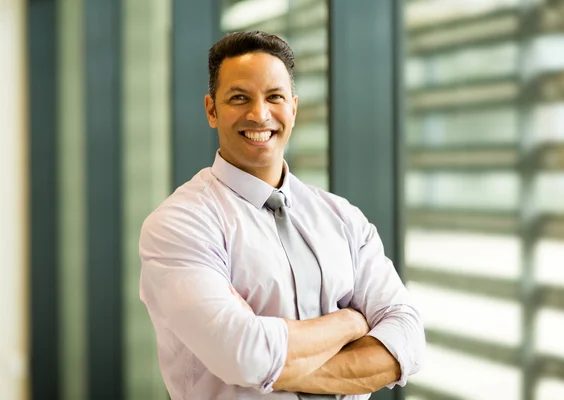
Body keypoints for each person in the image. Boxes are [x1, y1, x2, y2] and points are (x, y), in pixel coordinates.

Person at [139, 31, 425, 400]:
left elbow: (408, 341)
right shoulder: (180, 225)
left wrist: (273, 365)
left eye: (274, 97)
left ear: (293, 108)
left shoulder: (343, 219)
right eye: (239, 98)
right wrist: (351, 321)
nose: (259, 114)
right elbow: (244, 355)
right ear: (211, 110)